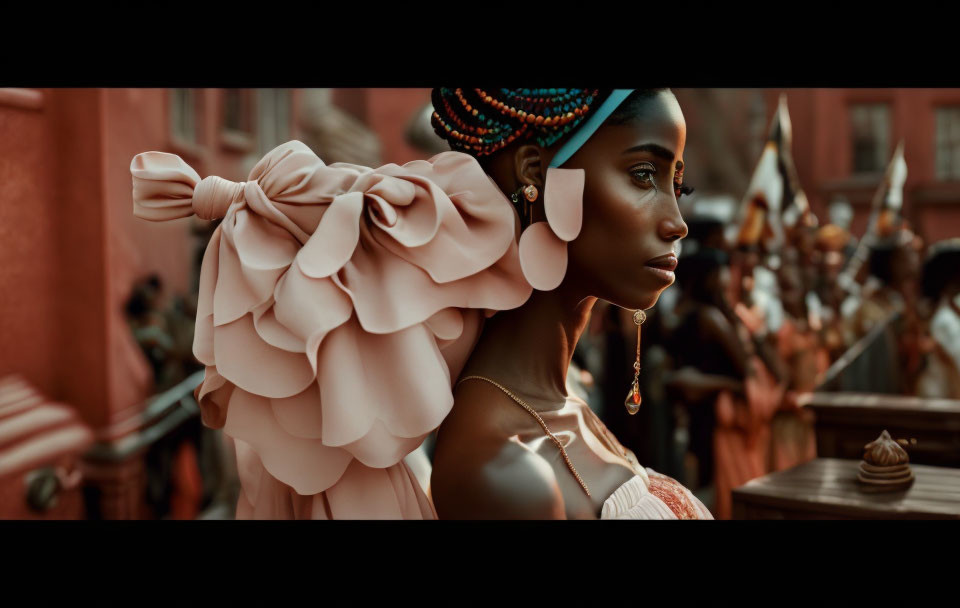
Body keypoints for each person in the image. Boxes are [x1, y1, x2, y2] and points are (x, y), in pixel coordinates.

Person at [131, 88, 711, 519]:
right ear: (536, 173)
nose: (677, 222)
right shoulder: (503, 470)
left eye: (676, 185)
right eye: (643, 174)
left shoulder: (559, 402)